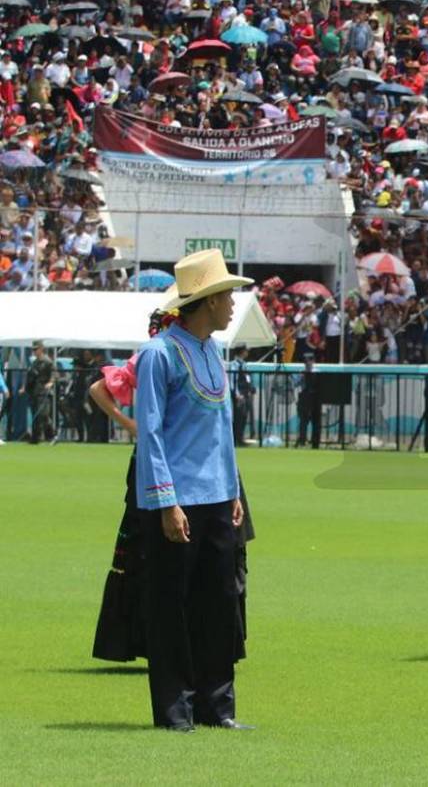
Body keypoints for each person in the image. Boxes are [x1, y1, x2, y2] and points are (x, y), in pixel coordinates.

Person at [89, 309, 255, 665]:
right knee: (157, 558)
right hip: (163, 468)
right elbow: (101, 390)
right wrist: (131, 425)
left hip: (210, 472)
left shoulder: (202, 351)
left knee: (209, 563)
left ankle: (204, 652)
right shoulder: (156, 355)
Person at [135, 249, 254, 731]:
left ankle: (216, 706)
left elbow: (222, 430)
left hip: (218, 498)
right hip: (177, 501)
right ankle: (174, 709)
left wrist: (234, 490)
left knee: (217, 603)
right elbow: (151, 432)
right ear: (206, 301)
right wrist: (166, 502)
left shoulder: (211, 351)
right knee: (171, 606)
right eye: (227, 296)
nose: (232, 304)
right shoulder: (158, 354)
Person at [23, 340, 55, 443]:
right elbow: (30, 376)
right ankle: (35, 438)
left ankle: (52, 435)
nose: (34, 351)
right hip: (35, 392)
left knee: (43, 414)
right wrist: (24, 387)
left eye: (36, 349)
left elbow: (54, 374)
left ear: (41, 349)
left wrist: (50, 382)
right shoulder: (34, 363)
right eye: (33, 349)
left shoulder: (47, 361)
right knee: (35, 415)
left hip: (44, 392)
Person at [295, 353, 320, 448]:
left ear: (313, 361)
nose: (307, 363)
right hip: (304, 398)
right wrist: (301, 377)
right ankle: (302, 441)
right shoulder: (301, 373)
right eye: (306, 361)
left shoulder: (318, 372)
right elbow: (295, 384)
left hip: (315, 399)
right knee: (303, 421)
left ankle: (315, 442)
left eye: (309, 360)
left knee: (316, 421)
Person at [231, 346, 254, 446]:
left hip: (246, 394)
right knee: (238, 417)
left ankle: (240, 438)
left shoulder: (244, 364)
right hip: (239, 394)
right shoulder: (234, 365)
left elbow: (247, 379)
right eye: (245, 351)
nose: (247, 353)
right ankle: (235, 439)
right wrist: (236, 394)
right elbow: (233, 380)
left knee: (244, 417)